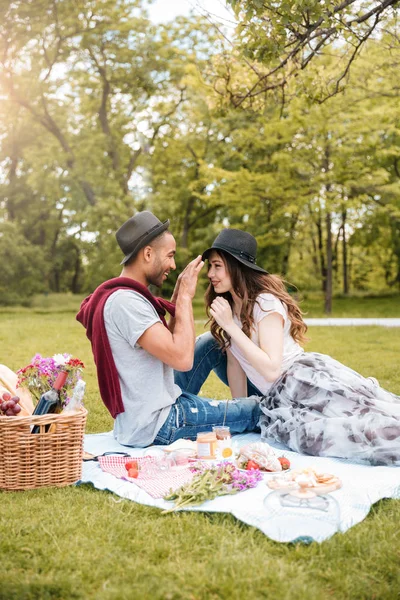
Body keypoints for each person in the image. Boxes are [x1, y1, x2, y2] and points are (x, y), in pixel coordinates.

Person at [202, 228, 400, 466]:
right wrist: (241, 411)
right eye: (209, 267)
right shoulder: (228, 309)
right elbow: (236, 364)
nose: (210, 274)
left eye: (217, 266)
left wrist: (230, 328)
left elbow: (272, 370)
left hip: (304, 381)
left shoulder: (265, 303)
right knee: (323, 438)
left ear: (236, 266)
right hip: (278, 400)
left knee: (371, 422)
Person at [76, 211, 260, 447]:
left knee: (212, 343)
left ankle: (242, 402)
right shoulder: (126, 303)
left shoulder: (131, 297)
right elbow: (182, 359)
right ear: (148, 253)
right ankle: (263, 407)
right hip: (160, 423)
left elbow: (169, 344)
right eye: (170, 256)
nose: (173, 265)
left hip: (157, 404)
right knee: (255, 410)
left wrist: (176, 296)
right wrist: (184, 297)